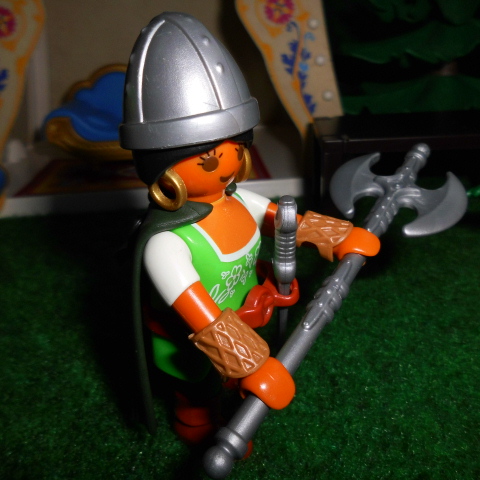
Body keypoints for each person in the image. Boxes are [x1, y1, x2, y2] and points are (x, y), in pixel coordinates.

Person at [120, 12, 379, 445]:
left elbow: (286, 219)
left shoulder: (239, 200)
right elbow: (201, 315)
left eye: (237, 148)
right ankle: (195, 422)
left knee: (223, 387)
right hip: (195, 343)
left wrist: (335, 237)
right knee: (198, 392)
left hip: (248, 312)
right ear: (164, 168)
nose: (229, 164)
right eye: (209, 159)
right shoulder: (164, 246)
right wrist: (248, 362)